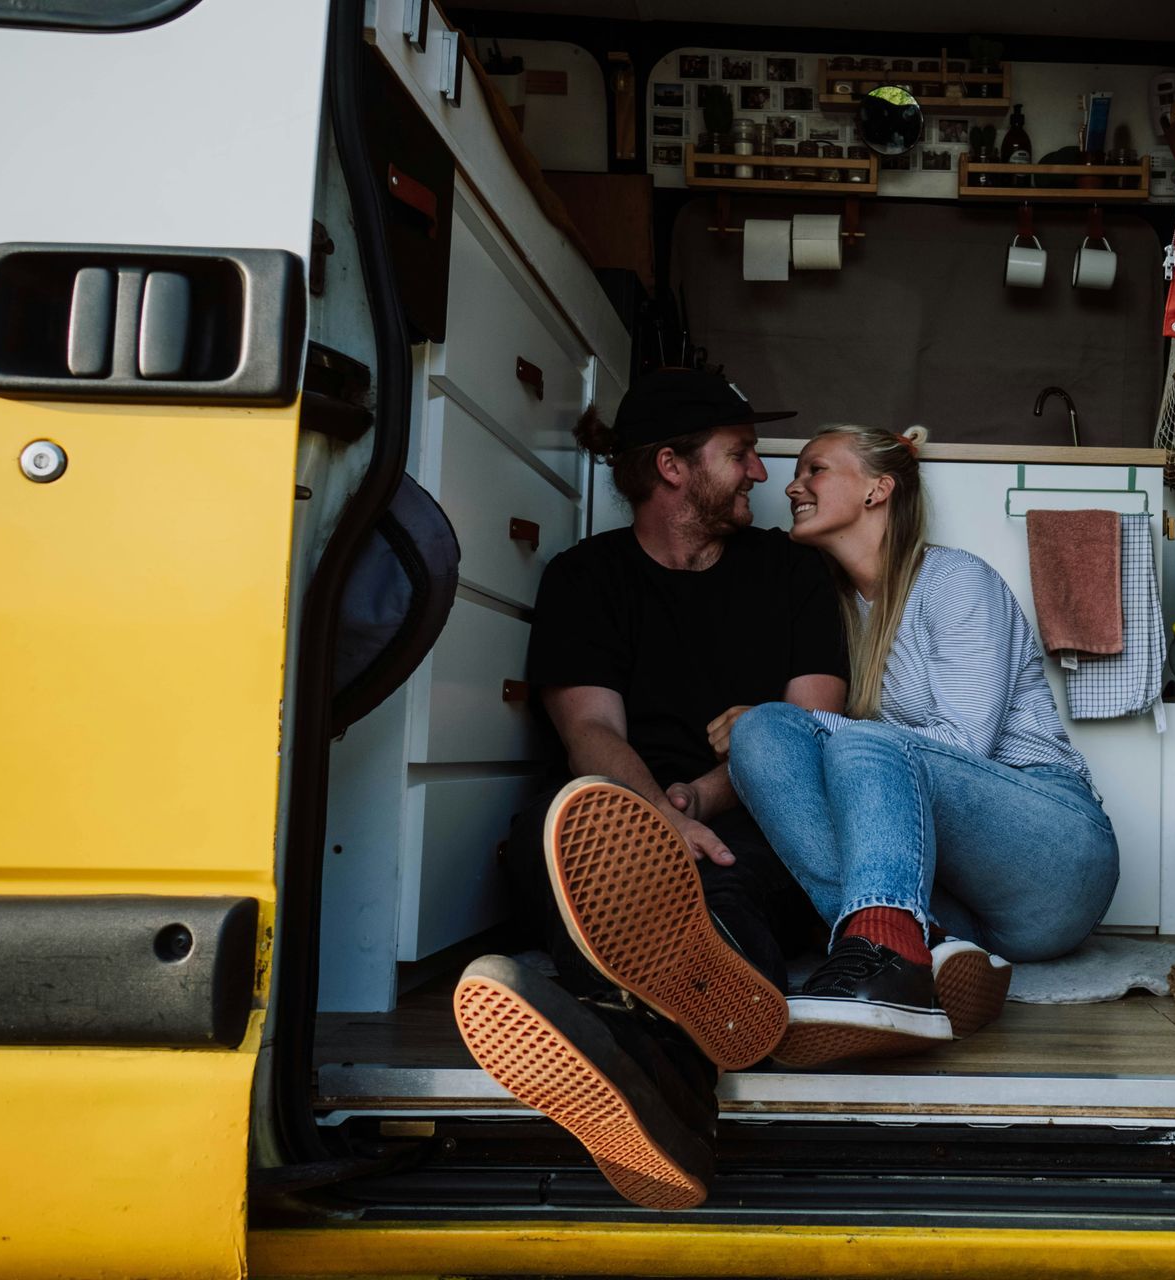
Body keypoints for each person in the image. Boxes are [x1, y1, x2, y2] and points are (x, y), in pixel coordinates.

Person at [450, 367, 848, 1211]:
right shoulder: (584, 578)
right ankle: (681, 1068)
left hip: (753, 815)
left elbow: (810, 721)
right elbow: (590, 733)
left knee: (730, 881)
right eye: (740, 454)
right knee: (547, 838)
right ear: (672, 466)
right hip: (620, 815)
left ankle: (613, 1030)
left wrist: (697, 809)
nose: (761, 475)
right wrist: (652, 828)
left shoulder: (791, 573)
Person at [727, 425, 1121, 1067]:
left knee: (863, 746)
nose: (792, 485)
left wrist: (828, 729)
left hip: (1053, 857)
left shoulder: (954, 580)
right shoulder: (835, 610)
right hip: (947, 897)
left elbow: (967, 743)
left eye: (815, 469)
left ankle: (882, 951)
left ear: (879, 489)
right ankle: (912, 948)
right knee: (760, 733)